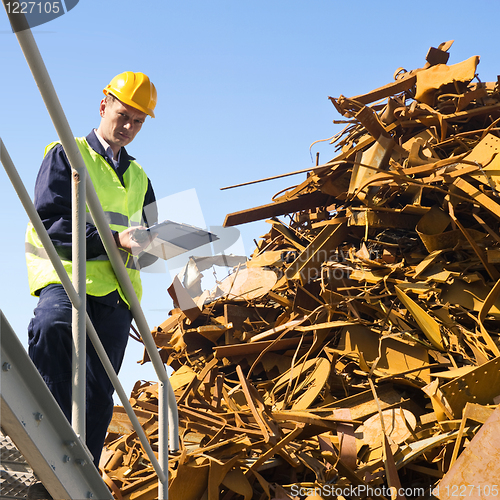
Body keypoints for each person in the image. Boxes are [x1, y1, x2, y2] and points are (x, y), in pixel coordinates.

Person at [25, 72, 158, 499]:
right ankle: (39, 449)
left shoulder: (140, 177)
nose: (128, 127)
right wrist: (113, 240)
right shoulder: (67, 154)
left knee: (101, 392)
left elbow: (151, 239)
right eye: (123, 115)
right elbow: (51, 222)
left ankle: (76, 473)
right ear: (104, 106)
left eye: (138, 122)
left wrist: (161, 245)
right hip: (69, 278)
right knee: (52, 329)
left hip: (117, 297)